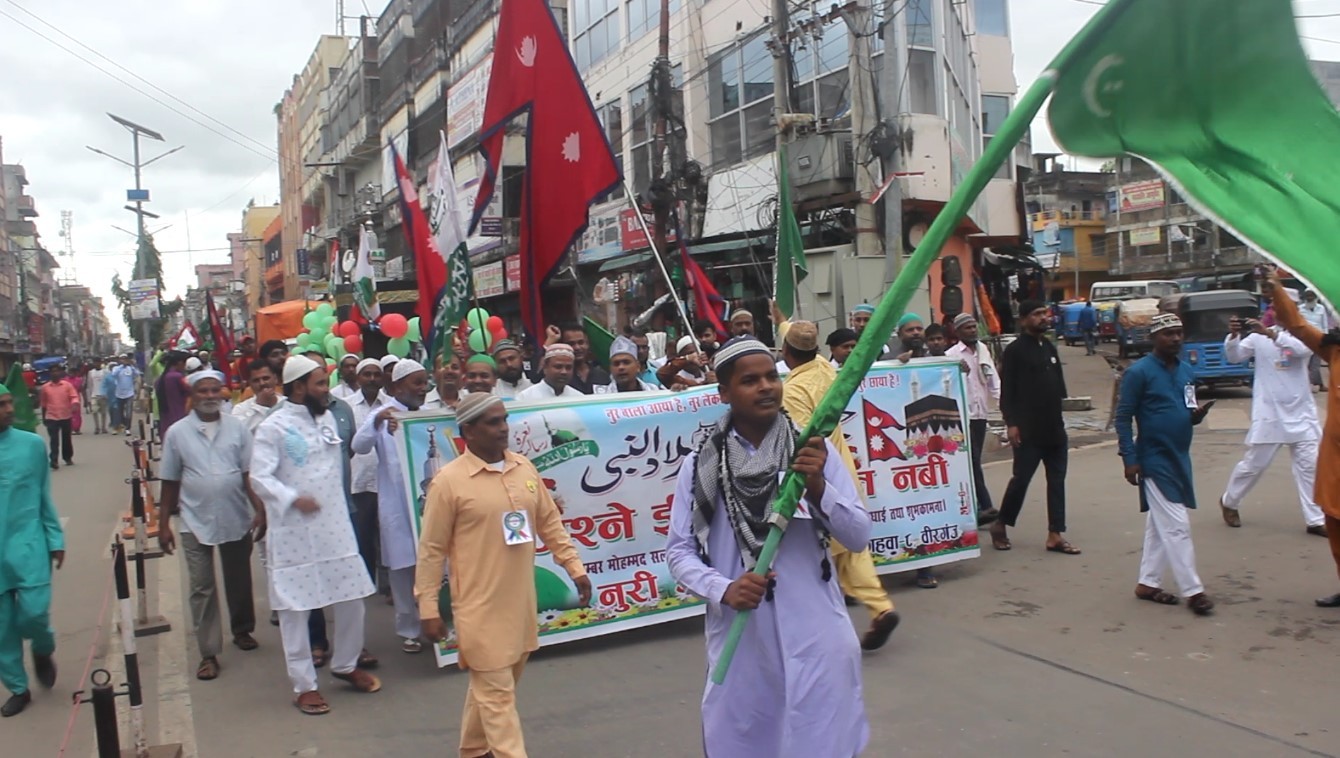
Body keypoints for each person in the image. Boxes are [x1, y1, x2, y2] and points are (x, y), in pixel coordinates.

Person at [666, 337, 871, 757]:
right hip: (745, 635)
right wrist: (724, 588)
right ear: (723, 393)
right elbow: (679, 552)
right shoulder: (700, 464)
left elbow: (858, 534)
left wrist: (816, 487)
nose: (765, 387)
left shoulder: (813, 452)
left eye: (770, 377)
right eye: (749, 380)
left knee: (822, 737)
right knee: (748, 739)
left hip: (816, 628)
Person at [416, 393, 592, 758]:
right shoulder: (448, 483)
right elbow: (431, 549)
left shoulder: (523, 469)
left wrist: (574, 567)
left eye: (503, 420)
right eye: (492, 422)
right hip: (478, 609)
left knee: (495, 685)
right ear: (469, 431)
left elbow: (549, 523)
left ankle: (473, 749)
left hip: (520, 604)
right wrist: (428, 606)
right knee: (497, 695)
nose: (503, 429)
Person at [249, 356, 380, 715]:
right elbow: (259, 477)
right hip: (294, 533)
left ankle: (346, 664)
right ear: (297, 387)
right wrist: (292, 499)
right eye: (320, 384)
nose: (327, 390)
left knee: (353, 598)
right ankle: (304, 685)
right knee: (296, 610)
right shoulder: (273, 428)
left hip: (336, 529)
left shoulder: (326, 419)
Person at [779, 322, 901, 647]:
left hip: (821, 477)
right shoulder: (822, 367)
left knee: (829, 552)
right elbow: (799, 336)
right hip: (844, 469)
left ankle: (837, 622)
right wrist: (783, 320)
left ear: (785, 353)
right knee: (849, 550)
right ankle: (880, 607)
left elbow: (803, 440)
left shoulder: (792, 392)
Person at [157, 370, 264, 681]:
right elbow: (169, 481)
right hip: (194, 519)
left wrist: (261, 509)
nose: (209, 396)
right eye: (202, 391)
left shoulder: (237, 429)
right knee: (201, 586)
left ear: (223, 393)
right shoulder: (177, 433)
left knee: (239, 578)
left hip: (235, 515)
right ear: (192, 395)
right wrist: (163, 524)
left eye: (214, 390)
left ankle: (242, 629)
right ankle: (208, 652)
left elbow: (248, 474)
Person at [1115, 314, 1215, 616]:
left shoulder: (1186, 370)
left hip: (1179, 455)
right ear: (1154, 338)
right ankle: (1193, 591)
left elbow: (1186, 406)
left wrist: (1194, 416)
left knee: (1161, 527)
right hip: (1153, 458)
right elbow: (1122, 418)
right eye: (1169, 334)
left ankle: (1148, 582)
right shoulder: (1139, 373)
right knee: (1177, 524)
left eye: (1179, 333)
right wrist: (1130, 459)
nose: (1176, 339)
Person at [1262, 269, 1340, 608]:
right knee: (1335, 525)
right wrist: (1276, 289)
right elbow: (1296, 325)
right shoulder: (1334, 353)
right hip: (1335, 459)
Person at [1220, 314, 1326, 535]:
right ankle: (1230, 500)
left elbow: (1302, 351)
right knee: (1254, 466)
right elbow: (1234, 357)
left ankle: (1315, 519)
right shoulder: (1258, 338)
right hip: (1270, 414)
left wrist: (1270, 333)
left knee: (1310, 467)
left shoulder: (1304, 332)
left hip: (1301, 413)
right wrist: (1234, 336)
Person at [991, 300, 1081, 555]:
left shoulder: (1050, 347)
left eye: (1045, 313)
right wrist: (1012, 423)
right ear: (1023, 320)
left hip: (1054, 429)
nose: (1043, 318)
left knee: (1057, 481)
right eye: (1037, 314)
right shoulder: (1015, 351)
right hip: (1028, 431)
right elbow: (1006, 392)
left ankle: (1055, 533)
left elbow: (1058, 390)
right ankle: (1001, 524)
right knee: (1021, 480)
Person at [353, 359, 430, 654]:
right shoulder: (380, 415)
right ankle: (409, 629)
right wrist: (377, 422)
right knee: (401, 570)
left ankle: (437, 620)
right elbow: (359, 447)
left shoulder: (426, 415)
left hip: (427, 503)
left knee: (436, 564)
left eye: (425, 382)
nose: (423, 389)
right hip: (395, 506)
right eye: (417, 383)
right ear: (397, 387)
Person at [0, 381, 64, 717]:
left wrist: (55, 538)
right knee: (2, 630)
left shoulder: (31, 446)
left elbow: (43, 496)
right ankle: (18, 688)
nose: (10, 410)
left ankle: (43, 648)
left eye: (9, 402)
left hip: (28, 545)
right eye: (2, 405)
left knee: (35, 613)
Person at [945, 313, 1001, 526]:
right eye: (967, 328)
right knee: (973, 461)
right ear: (958, 332)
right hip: (962, 416)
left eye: (973, 326)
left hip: (980, 414)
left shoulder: (983, 350)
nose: (972, 330)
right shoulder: (951, 355)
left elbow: (992, 378)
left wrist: (1002, 402)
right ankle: (985, 506)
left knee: (974, 462)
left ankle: (978, 507)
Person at [346, 358, 384, 581]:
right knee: (363, 534)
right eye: (366, 374)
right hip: (358, 481)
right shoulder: (346, 405)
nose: (371, 379)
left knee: (387, 534)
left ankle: (388, 584)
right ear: (359, 377)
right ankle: (366, 580)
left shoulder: (390, 404)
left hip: (384, 480)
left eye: (376, 374)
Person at [37, 364, 79, 471]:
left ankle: (67, 457)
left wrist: (74, 404)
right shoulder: (45, 388)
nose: (55, 373)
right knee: (54, 440)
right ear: (50, 373)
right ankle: (54, 460)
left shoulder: (67, 385)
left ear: (60, 372)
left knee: (66, 439)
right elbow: (43, 403)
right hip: (51, 416)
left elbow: (74, 396)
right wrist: (44, 417)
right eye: (52, 371)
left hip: (66, 415)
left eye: (57, 371)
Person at [555, 323, 611, 394]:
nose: (577, 347)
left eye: (581, 342)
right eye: (571, 344)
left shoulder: (601, 375)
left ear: (587, 344)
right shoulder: (560, 376)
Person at [516, 344, 584, 402]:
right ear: (545, 367)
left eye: (568, 367)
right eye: (558, 367)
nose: (564, 372)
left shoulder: (579, 398)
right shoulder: (525, 397)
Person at [232, 360, 282, 434]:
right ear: (250, 384)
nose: (262, 383)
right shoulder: (240, 409)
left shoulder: (287, 403)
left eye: (266, 378)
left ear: (275, 379)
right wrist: (260, 405)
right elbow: (238, 433)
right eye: (256, 380)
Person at [1299, 290, 1331, 392]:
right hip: (1305, 340)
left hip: (1319, 339)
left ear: (1315, 297)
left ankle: (1311, 384)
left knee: (1315, 364)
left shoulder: (1321, 309)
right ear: (1304, 297)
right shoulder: (1300, 309)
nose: (1310, 297)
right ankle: (1311, 384)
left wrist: (1325, 339)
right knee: (1305, 363)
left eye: (1312, 295)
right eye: (1308, 295)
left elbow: (1324, 325)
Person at [156, 351, 191, 436]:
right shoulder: (178, 377)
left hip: (166, 420)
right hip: (181, 417)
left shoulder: (161, 379)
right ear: (180, 363)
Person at [108, 354, 141, 436]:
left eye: (125, 359)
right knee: (120, 412)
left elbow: (137, 374)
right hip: (119, 393)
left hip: (129, 393)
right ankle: (122, 424)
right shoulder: (116, 368)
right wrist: (121, 366)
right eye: (122, 359)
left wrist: (132, 365)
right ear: (119, 360)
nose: (124, 360)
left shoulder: (130, 368)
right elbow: (114, 374)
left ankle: (128, 428)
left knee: (129, 412)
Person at [86, 359, 108, 435]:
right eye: (95, 362)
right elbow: (89, 385)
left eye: (98, 362)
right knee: (94, 411)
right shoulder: (91, 373)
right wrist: (89, 397)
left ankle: (103, 427)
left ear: (101, 363)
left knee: (103, 413)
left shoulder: (105, 372)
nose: (97, 364)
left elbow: (107, 384)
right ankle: (97, 427)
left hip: (103, 395)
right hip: (94, 395)